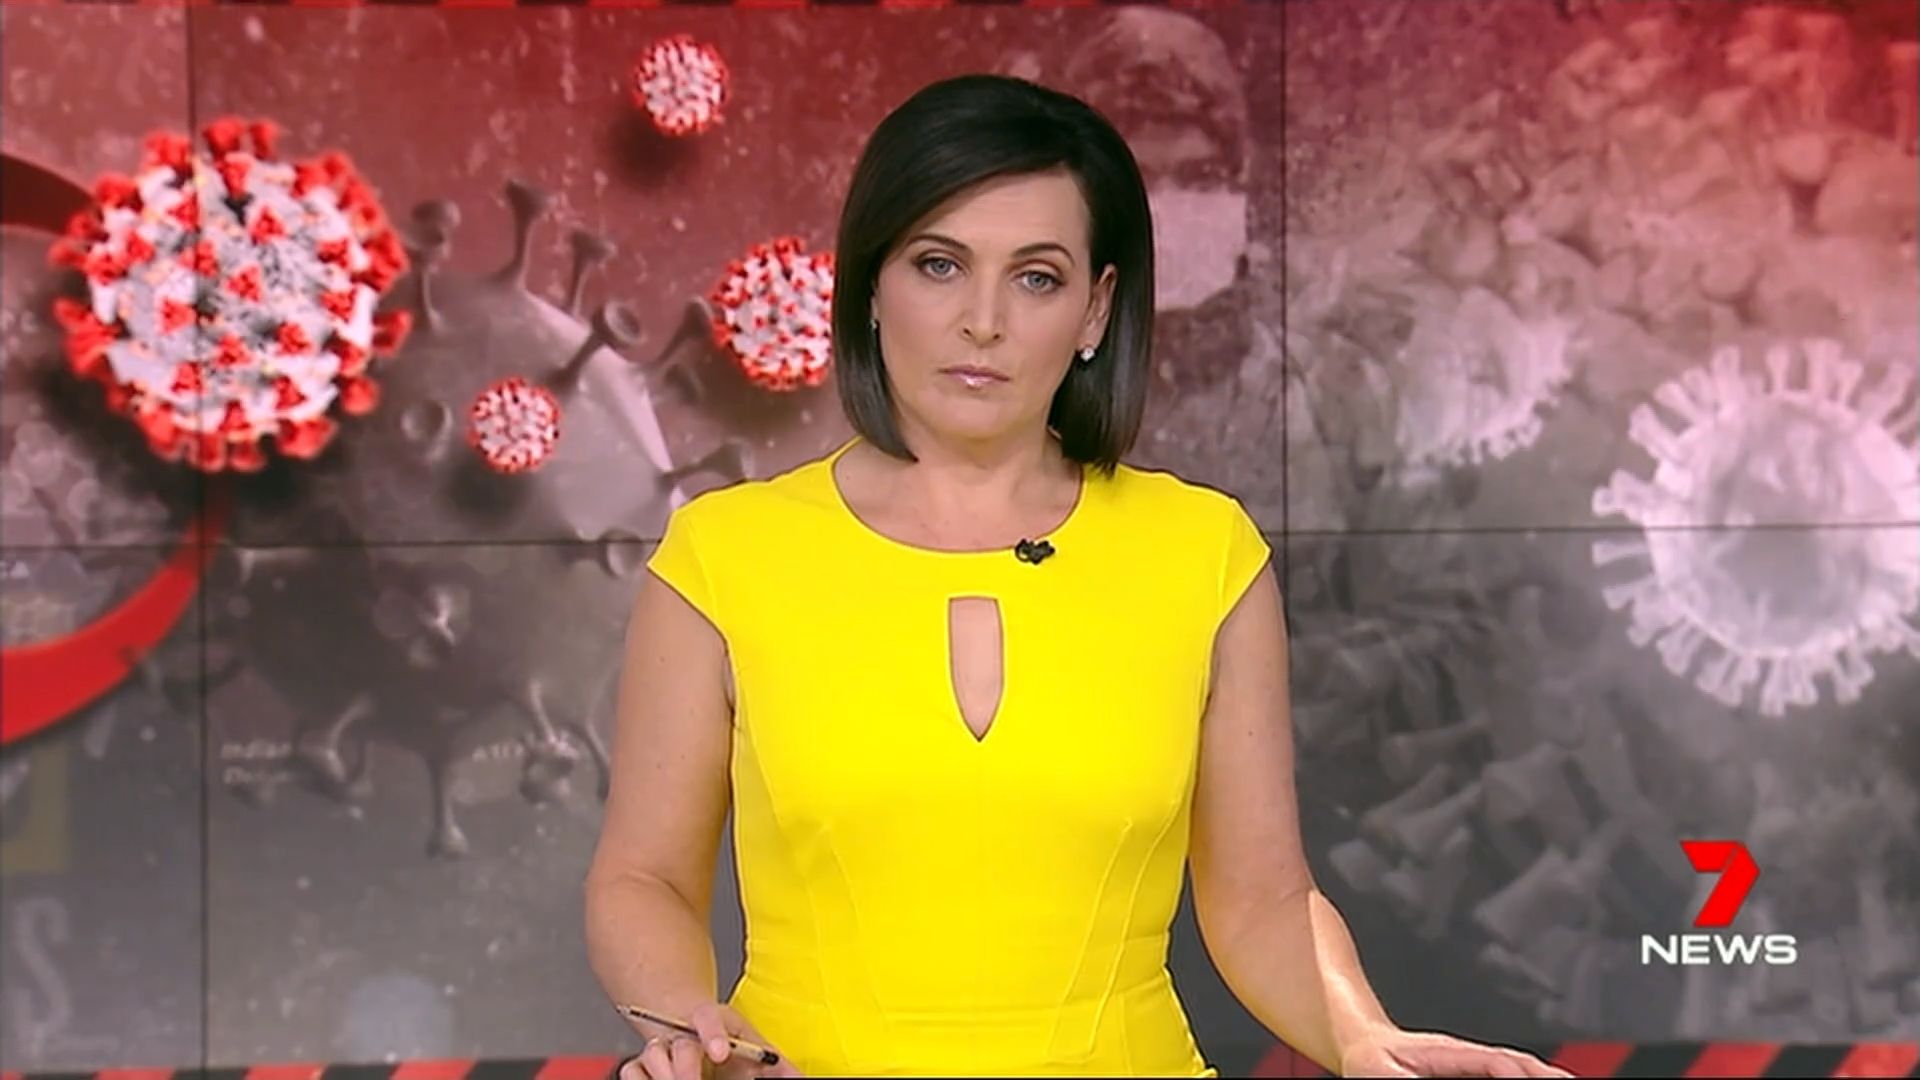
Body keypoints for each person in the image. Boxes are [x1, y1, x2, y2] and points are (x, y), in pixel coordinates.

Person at [584, 73, 1573, 1080]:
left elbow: (1263, 899)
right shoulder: (725, 554)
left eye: (1036, 278)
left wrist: (1366, 1038)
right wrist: (694, 1034)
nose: (982, 320)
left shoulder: (1204, 552)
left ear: (1096, 309)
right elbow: (643, 878)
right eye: (939, 264)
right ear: (872, 286)